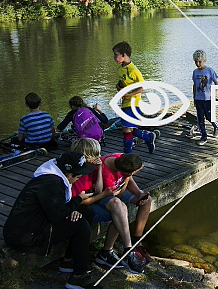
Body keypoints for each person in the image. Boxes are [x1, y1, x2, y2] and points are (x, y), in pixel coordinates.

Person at [3, 152, 100, 289]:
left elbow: (57, 209)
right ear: (68, 174)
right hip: (24, 234)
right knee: (80, 224)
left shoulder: (54, 176)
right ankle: (78, 277)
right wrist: (78, 199)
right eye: (78, 176)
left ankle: (68, 261)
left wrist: (75, 205)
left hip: (37, 222)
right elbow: (57, 216)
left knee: (86, 212)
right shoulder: (52, 184)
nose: (79, 179)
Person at [70, 138, 146, 273]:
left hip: (92, 199)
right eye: (95, 155)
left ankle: (126, 249)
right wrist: (104, 194)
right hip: (78, 209)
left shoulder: (90, 169)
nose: (99, 157)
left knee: (120, 207)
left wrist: (98, 168)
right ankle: (125, 251)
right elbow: (78, 202)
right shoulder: (76, 175)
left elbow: (98, 191)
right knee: (119, 209)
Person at [112, 42, 158, 154]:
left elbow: (143, 87)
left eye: (116, 54)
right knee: (129, 128)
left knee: (126, 129)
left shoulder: (133, 70)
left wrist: (128, 94)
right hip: (125, 102)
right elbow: (122, 82)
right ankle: (148, 136)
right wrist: (118, 86)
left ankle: (127, 154)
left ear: (124, 54)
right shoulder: (120, 69)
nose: (114, 57)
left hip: (133, 102)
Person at [192, 49, 218, 146]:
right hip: (199, 98)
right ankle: (204, 136)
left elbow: (216, 82)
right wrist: (194, 97)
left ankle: (216, 125)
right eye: (196, 61)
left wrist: (214, 94)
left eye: (200, 61)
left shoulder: (209, 71)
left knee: (209, 116)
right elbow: (194, 85)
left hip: (208, 98)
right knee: (200, 118)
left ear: (204, 60)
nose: (198, 63)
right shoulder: (195, 72)